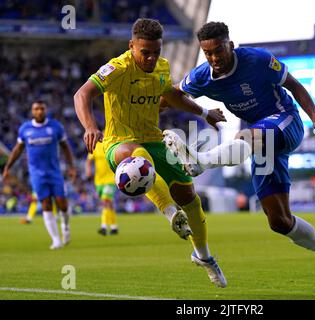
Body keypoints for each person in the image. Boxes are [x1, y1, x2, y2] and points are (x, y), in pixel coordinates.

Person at [163, 21, 315, 294]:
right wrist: (148, 112)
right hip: (260, 142)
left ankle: (199, 161)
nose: (214, 58)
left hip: (285, 121)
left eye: (219, 50)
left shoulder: (259, 60)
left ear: (231, 45)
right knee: (279, 221)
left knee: (248, 136)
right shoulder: (202, 76)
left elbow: (295, 86)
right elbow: (173, 96)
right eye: (208, 53)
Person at [73, 18, 228, 287]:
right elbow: (82, 95)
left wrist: (205, 113)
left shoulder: (163, 68)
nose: (151, 58)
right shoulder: (117, 68)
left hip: (154, 140)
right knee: (136, 159)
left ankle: (203, 256)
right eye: (145, 52)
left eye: (156, 51)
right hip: (118, 143)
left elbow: (171, 97)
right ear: (132, 45)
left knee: (190, 198)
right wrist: (89, 126)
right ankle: (169, 213)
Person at [2, 100, 76, 249]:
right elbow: (18, 149)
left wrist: (71, 166)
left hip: (54, 172)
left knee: (62, 203)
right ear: (32, 111)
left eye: (42, 108)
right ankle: (56, 240)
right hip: (36, 173)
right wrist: (7, 167)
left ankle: (65, 227)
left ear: (46, 110)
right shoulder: (25, 129)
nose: (39, 111)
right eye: (36, 109)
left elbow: (65, 147)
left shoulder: (55, 127)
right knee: (46, 204)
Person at [85, 140, 119, 235]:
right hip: (99, 181)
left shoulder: (111, 145)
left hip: (110, 180)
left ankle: (103, 226)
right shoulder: (96, 146)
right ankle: (114, 227)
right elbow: (89, 160)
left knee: (105, 201)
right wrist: (88, 171)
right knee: (109, 204)